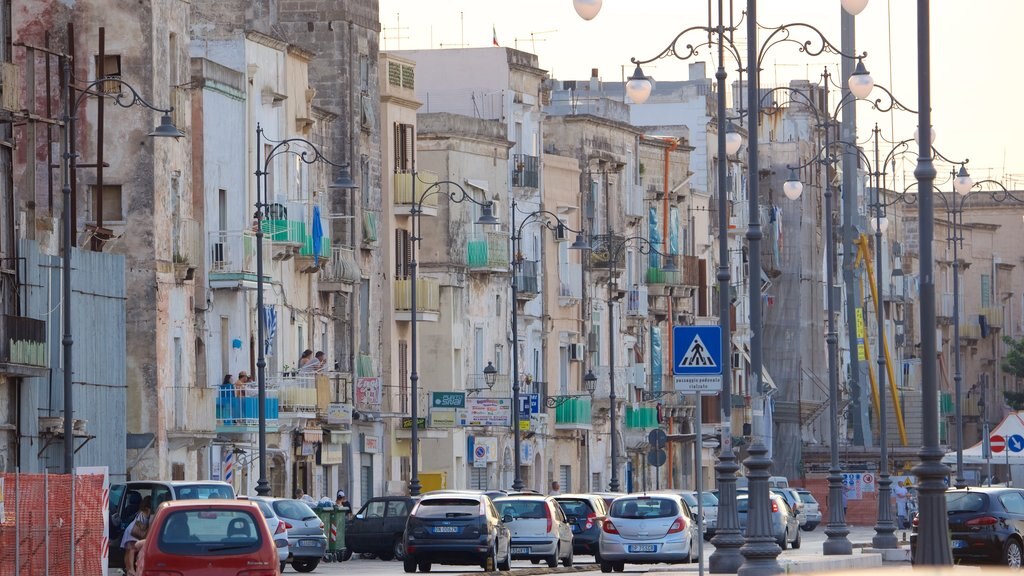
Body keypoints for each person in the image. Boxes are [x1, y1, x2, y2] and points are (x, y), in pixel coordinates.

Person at [120, 496, 152, 576]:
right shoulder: (147, 511)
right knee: (132, 550)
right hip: (135, 531)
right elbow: (142, 523)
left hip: (131, 530)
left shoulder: (141, 510)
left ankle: (129, 570)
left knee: (128, 550)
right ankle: (131, 570)